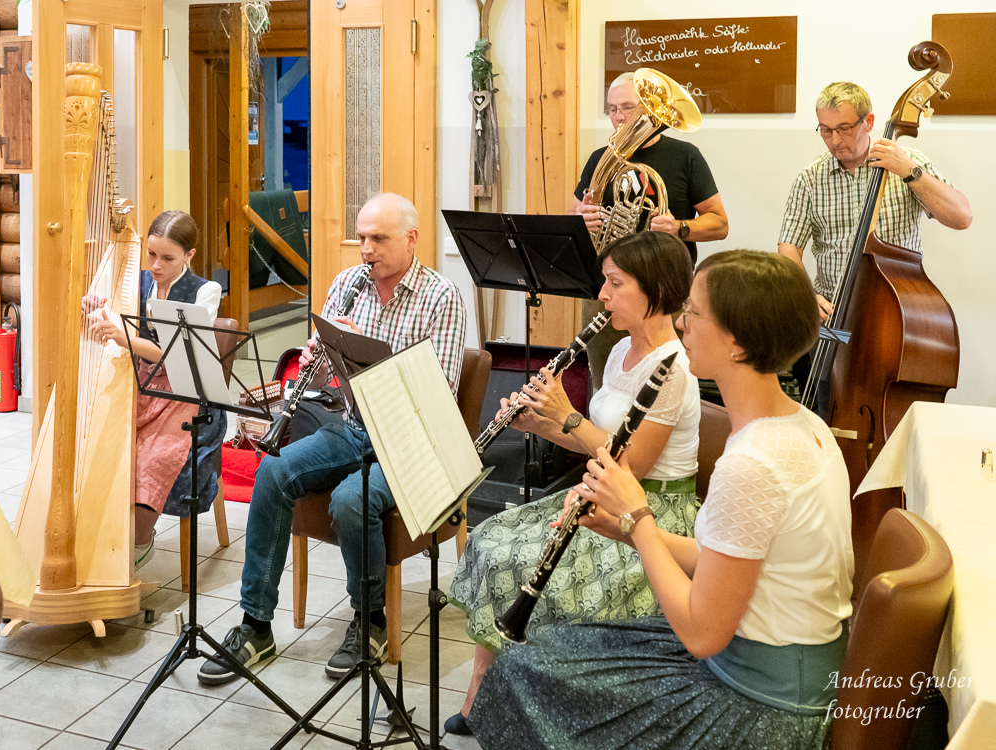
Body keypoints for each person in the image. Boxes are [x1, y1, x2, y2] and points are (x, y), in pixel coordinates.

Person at [469, 250, 854, 749]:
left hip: (762, 704)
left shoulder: (754, 463)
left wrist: (640, 518)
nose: (681, 322)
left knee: (523, 674)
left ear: (737, 343)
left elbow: (701, 634)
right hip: (758, 666)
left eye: (694, 312)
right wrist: (622, 528)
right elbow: (726, 561)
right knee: (543, 653)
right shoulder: (803, 425)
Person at [197, 193, 467, 686]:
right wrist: (321, 358)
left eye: (378, 238)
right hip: (354, 424)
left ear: (411, 239)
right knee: (273, 470)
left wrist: (363, 351)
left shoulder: (441, 296)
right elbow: (323, 383)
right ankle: (256, 624)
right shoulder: (346, 284)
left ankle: (370, 621)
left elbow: (441, 392)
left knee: (350, 499)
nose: (366, 249)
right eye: (361, 238)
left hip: (414, 439)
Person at [445, 231, 701, 736]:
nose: (602, 295)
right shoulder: (621, 349)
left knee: (524, 563)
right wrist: (537, 423)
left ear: (655, 288)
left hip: (648, 511)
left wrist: (566, 415)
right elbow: (592, 440)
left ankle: (516, 699)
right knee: (491, 539)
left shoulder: (675, 369)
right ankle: (484, 686)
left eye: (615, 284)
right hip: (600, 492)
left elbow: (632, 466)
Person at [778, 82, 971, 407]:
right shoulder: (810, 179)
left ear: (868, 122)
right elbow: (788, 251)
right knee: (826, 402)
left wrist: (910, 171)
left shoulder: (908, 162)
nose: (834, 140)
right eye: (825, 130)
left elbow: (961, 217)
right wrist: (806, 295)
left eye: (843, 129)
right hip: (834, 321)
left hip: (894, 321)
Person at [572, 70, 728, 390]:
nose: (618, 117)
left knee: (668, 384)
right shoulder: (599, 158)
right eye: (612, 109)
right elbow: (572, 217)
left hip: (664, 291)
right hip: (608, 291)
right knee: (605, 385)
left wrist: (679, 227)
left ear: (648, 108)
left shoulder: (686, 156)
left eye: (627, 107)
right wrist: (580, 218)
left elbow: (719, 223)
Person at [89, 211, 225, 570]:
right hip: (142, 384)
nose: (156, 265)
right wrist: (94, 306)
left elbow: (180, 353)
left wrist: (127, 338)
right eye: (151, 254)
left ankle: (138, 540)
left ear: (189, 255)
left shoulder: (205, 291)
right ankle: (104, 536)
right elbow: (106, 309)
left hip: (185, 392)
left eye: (168, 258)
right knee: (105, 442)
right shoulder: (137, 282)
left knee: (154, 456)